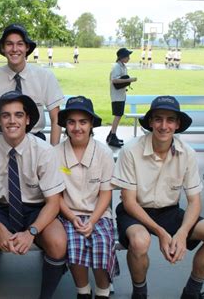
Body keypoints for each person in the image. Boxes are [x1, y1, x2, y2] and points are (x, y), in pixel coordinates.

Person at [112, 96, 204, 299]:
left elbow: (194, 201)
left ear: (177, 124)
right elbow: (128, 201)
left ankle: (191, 293)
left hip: (169, 211)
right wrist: (162, 233)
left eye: (170, 120)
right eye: (158, 119)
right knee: (140, 241)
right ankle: (140, 293)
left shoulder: (187, 153)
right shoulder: (130, 150)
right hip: (136, 211)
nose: (164, 126)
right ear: (150, 122)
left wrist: (182, 233)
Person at [0, 91, 67, 299]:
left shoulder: (44, 151)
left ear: (28, 120)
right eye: (6, 115)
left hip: (36, 210)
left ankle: (45, 297)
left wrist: (32, 232)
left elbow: (54, 202)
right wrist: (0, 230)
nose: (12, 121)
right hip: (0, 209)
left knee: (58, 242)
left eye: (19, 115)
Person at [55, 96, 119, 299]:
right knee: (75, 246)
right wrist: (73, 218)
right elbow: (55, 195)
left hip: (98, 214)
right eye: (71, 122)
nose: (77, 127)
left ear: (91, 124)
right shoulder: (55, 154)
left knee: (101, 245)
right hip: (67, 213)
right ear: (65, 125)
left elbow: (105, 194)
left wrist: (91, 221)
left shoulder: (103, 153)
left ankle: (103, 290)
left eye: (83, 122)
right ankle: (82, 291)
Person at [0, 24, 64, 154]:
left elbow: (56, 118)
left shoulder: (45, 77)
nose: (15, 49)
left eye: (20, 44)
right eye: (9, 44)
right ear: (3, 48)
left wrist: (54, 155)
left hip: (35, 143)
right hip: (0, 144)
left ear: (27, 48)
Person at [106, 47, 137, 148]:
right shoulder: (116, 67)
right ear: (122, 57)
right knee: (118, 116)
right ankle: (112, 137)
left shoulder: (122, 66)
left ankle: (111, 135)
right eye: (127, 56)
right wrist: (130, 80)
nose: (129, 58)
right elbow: (114, 80)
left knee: (119, 115)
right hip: (116, 96)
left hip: (121, 95)